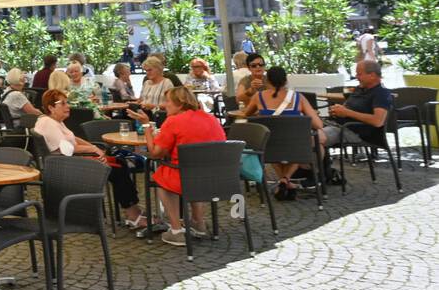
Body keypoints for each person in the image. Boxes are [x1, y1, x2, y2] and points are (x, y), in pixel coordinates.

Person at [34, 89, 144, 228]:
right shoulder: (48, 123)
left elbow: (73, 138)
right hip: (68, 167)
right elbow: (66, 149)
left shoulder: (54, 121)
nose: (68, 106)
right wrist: (93, 149)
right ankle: (133, 214)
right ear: (51, 107)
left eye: (67, 103)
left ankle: (133, 210)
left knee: (119, 162)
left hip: (71, 162)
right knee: (119, 169)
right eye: (62, 103)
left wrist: (93, 147)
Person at [142, 86, 226, 247]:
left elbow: (155, 153)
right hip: (217, 178)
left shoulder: (173, 121)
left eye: (167, 101)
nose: (164, 105)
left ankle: (176, 230)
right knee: (192, 168)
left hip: (188, 178)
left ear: (179, 104)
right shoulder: (211, 118)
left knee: (162, 176)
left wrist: (146, 128)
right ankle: (198, 222)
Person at [243, 65, 326, 199]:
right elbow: (318, 124)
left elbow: (246, 115)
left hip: (269, 149)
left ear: (267, 81)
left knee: (272, 141)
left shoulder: (259, 97)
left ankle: (283, 180)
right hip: (295, 149)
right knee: (308, 143)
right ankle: (286, 179)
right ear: (286, 80)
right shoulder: (298, 98)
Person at [325, 59, 393, 150]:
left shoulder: (381, 93)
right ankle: (322, 163)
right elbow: (346, 105)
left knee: (310, 139)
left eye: (359, 74)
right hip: (334, 124)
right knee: (304, 133)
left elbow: (378, 121)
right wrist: (338, 110)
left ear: (372, 75)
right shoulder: (360, 89)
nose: (356, 77)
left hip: (351, 131)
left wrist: (346, 112)